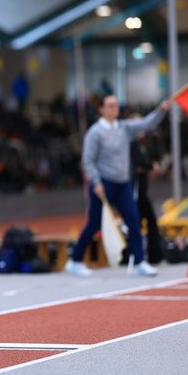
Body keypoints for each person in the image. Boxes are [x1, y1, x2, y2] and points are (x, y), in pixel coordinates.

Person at [66, 95, 169, 277]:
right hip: (104, 185)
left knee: (134, 220)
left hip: (123, 184)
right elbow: (88, 161)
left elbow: (146, 124)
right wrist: (96, 182)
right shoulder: (95, 132)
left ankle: (139, 262)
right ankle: (75, 260)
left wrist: (161, 110)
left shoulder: (124, 128)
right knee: (94, 224)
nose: (114, 108)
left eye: (116, 105)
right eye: (110, 105)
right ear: (101, 109)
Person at [130, 130, 163, 264]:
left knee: (142, 222)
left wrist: (146, 166)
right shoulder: (132, 144)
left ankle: (147, 255)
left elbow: (141, 164)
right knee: (141, 222)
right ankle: (141, 256)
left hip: (141, 189)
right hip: (136, 191)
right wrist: (151, 166)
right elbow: (138, 164)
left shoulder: (140, 145)